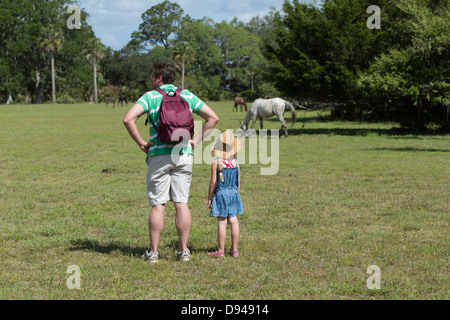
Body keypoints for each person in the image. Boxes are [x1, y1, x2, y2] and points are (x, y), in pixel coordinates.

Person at [123, 62, 219, 263]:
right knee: (181, 202)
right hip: (183, 154)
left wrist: (141, 143)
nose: (150, 79)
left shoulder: (151, 97)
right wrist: (196, 141)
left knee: (159, 204)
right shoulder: (187, 95)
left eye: (152, 76)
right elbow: (213, 117)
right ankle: (183, 251)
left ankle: (154, 253)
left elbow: (128, 119)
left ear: (159, 78)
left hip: (159, 156)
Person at [207, 130, 243, 258]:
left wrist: (210, 198)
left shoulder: (216, 163)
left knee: (222, 222)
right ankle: (234, 250)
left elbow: (213, 183)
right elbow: (238, 181)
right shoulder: (236, 163)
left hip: (221, 194)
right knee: (234, 221)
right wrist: (237, 195)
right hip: (234, 194)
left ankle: (220, 251)